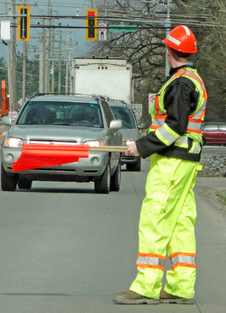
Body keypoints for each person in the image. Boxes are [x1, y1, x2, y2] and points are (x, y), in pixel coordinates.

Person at [113, 25, 207, 305]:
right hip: (186, 161)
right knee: (180, 222)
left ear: (169, 51)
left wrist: (140, 146)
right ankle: (180, 287)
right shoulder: (192, 79)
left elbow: (175, 126)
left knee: (154, 219)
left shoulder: (180, 84)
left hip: (172, 161)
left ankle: (146, 286)